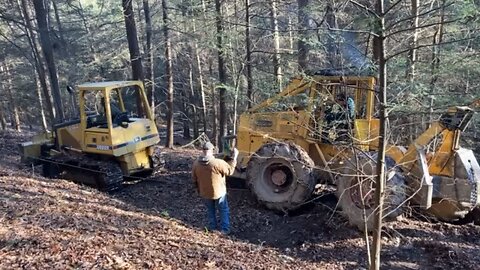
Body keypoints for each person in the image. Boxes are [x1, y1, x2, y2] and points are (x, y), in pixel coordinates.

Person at [192, 142, 239, 234]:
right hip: (219, 192)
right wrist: (235, 157)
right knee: (223, 209)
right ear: (212, 150)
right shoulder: (217, 163)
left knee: (210, 210)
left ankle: (212, 227)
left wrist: (198, 190)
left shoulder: (196, 164)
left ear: (203, 151)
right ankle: (225, 229)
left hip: (205, 192)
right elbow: (230, 171)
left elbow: (194, 179)